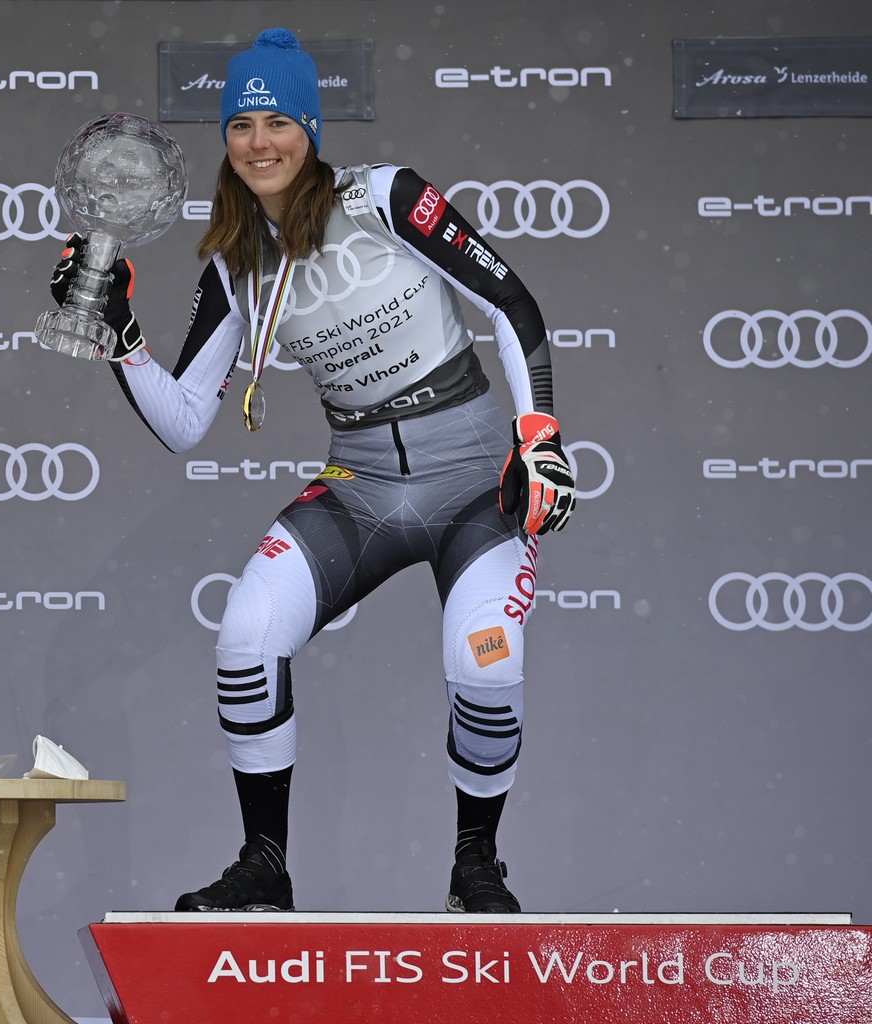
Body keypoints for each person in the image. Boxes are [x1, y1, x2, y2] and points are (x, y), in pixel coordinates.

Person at [47, 28, 575, 913]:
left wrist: (541, 434)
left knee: (485, 666)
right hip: (362, 485)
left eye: (279, 121)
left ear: (312, 127)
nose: (260, 142)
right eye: (242, 123)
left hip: (475, 481)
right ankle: (265, 866)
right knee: (246, 640)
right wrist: (118, 334)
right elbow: (183, 422)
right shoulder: (233, 258)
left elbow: (509, 300)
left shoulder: (386, 197)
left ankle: (476, 865)